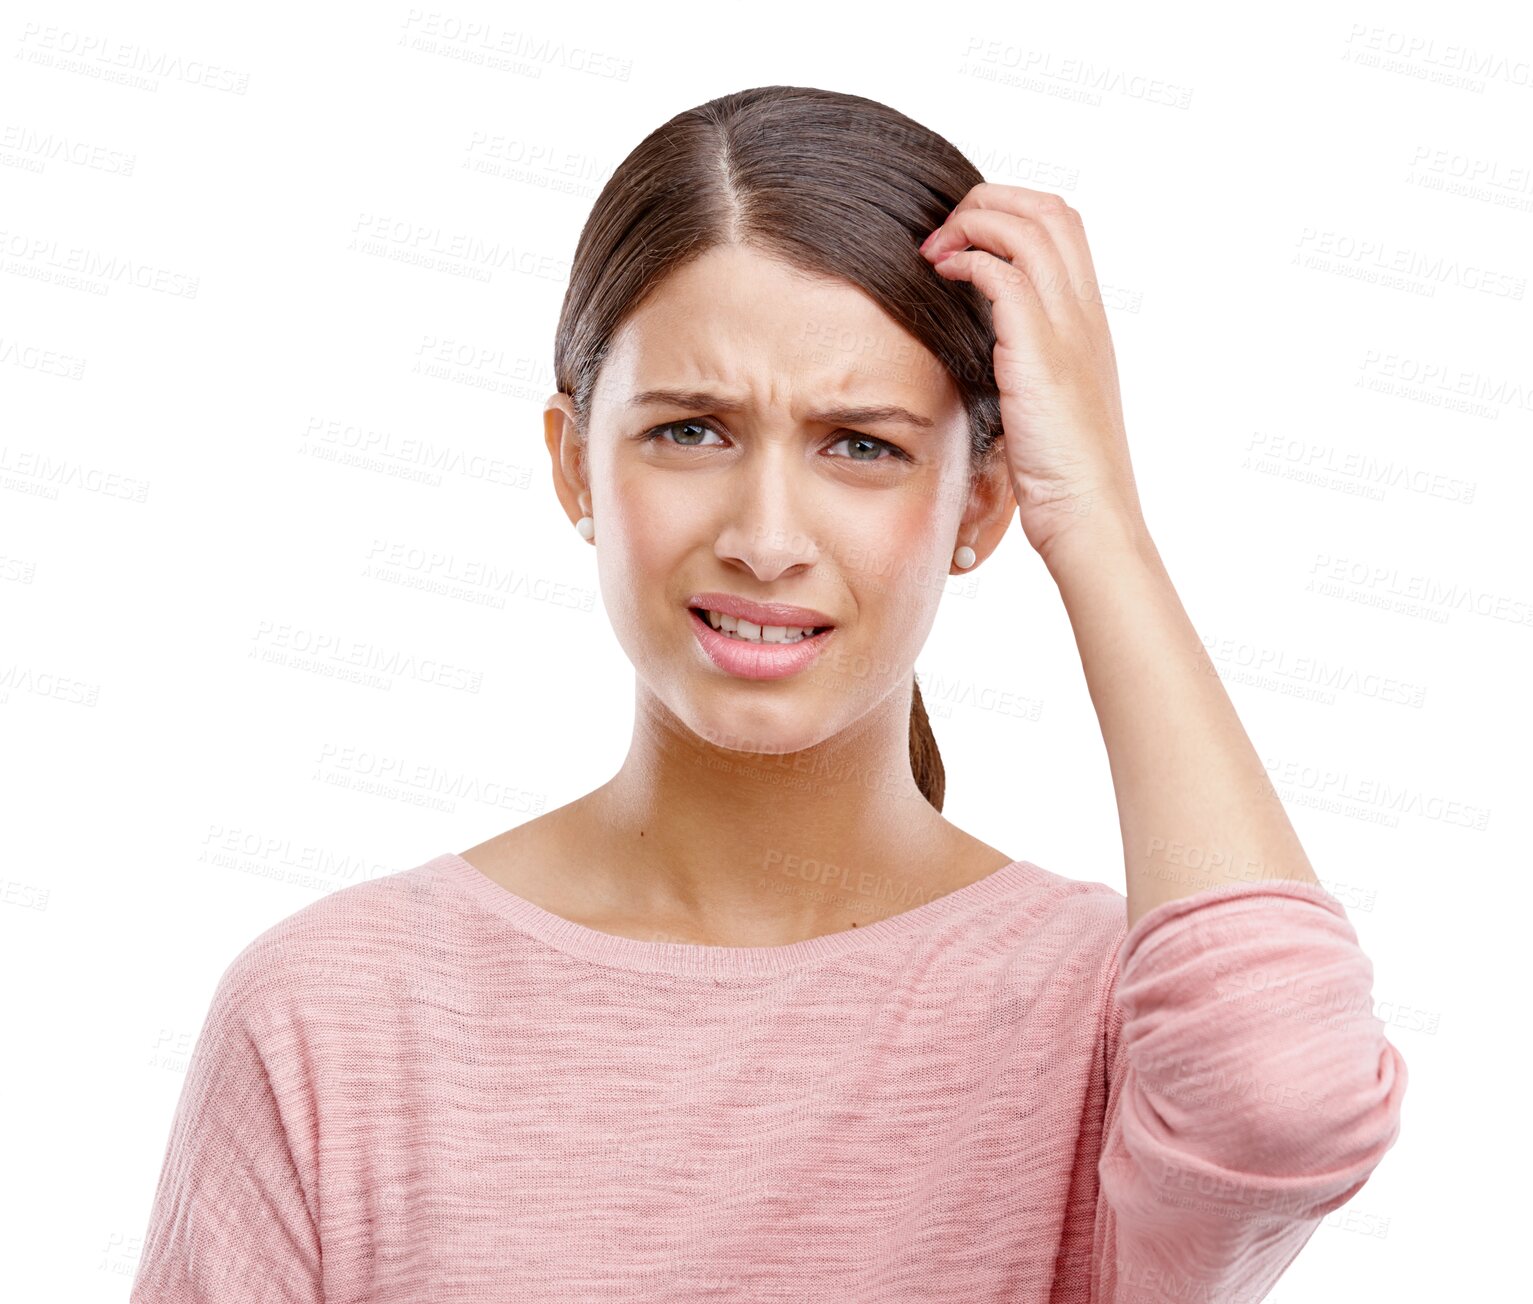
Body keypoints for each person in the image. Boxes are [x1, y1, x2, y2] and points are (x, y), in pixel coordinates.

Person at [130, 85, 1407, 1302]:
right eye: (691, 428)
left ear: (981, 502)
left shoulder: (1098, 1018)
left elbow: (1285, 1092)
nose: (766, 534)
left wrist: (1101, 522)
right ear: (576, 465)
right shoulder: (334, 1016)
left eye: (863, 445)